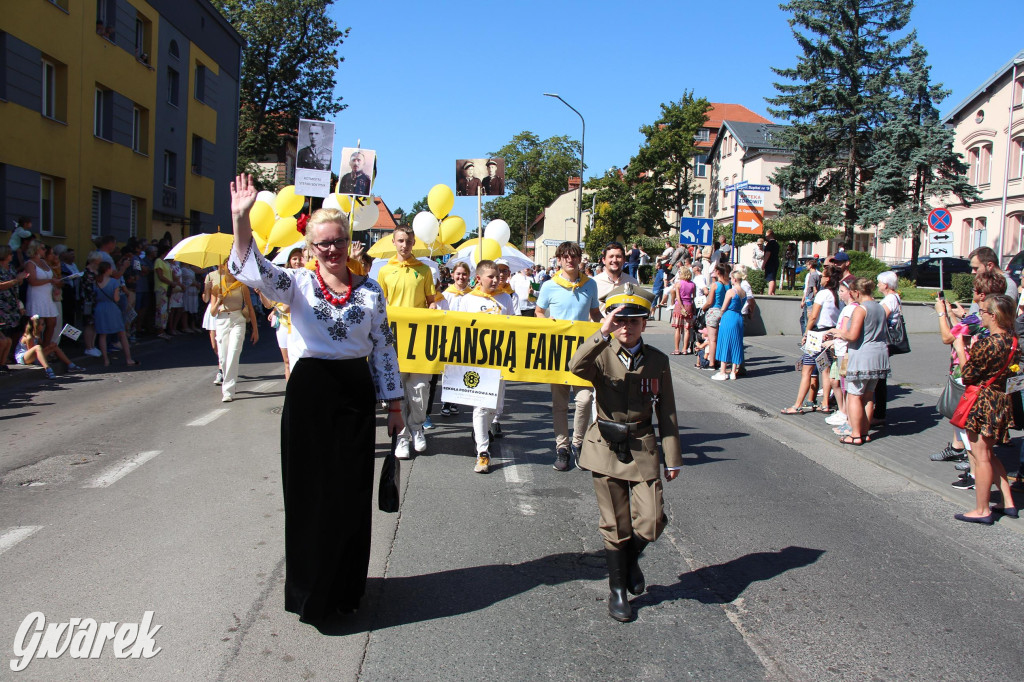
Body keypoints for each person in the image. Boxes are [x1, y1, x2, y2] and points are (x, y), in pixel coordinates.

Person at [228, 173, 403, 624]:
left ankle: (346, 589)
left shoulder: (370, 291)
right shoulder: (298, 285)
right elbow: (250, 269)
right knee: (310, 497)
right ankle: (311, 593)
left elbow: (383, 346)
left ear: (349, 242)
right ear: (309, 248)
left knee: (349, 495)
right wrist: (240, 220)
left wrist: (396, 405)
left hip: (354, 395)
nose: (331, 249)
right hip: (310, 397)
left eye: (338, 241)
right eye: (322, 243)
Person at [568, 283, 681, 622]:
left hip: (642, 446)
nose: (626, 327)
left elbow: (669, 411)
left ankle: (630, 562)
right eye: (620, 320)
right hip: (605, 446)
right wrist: (599, 333)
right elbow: (575, 367)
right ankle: (617, 590)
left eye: (634, 320)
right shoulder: (600, 352)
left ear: (645, 322)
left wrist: (672, 458)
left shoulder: (658, 361)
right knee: (615, 525)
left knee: (652, 521)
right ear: (611, 321)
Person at [952, 294, 1020, 524]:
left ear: (993, 315)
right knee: (989, 453)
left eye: (982, 312)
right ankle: (1008, 502)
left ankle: (982, 510)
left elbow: (968, 375)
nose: (980, 315)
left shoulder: (987, 343)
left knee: (980, 457)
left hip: (983, 401)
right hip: (1001, 399)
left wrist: (961, 349)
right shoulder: (1014, 341)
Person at [535, 240, 601, 471]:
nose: (570, 260)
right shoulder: (549, 286)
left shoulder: (590, 284)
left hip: (583, 353)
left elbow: (595, 314)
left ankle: (578, 443)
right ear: (559, 260)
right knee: (559, 404)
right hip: (557, 352)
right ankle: (562, 447)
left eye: (574, 256)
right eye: (565, 257)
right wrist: (547, 323)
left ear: (580, 258)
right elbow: (539, 312)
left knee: (584, 400)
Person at [377, 225, 437, 459]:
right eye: (400, 241)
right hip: (394, 341)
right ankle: (402, 435)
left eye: (408, 241)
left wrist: (432, 307)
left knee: (420, 388)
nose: (404, 245)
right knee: (398, 390)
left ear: (414, 243)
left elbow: (431, 301)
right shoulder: (385, 271)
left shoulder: (424, 270)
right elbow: (381, 306)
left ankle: (417, 426)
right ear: (394, 242)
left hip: (419, 339)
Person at [457, 260, 513, 473]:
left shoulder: (506, 298)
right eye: (491, 276)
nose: (496, 279)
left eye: (498, 275)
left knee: (495, 406)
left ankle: (484, 430)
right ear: (479, 278)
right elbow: (460, 329)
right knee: (480, 405)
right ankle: (483, 452)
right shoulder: (468, 300)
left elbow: (515, 327)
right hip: (477, 363)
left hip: (499, 362)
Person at [830, 277, 889, 445]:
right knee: (868, 396)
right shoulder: (879, 307)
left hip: (862, 356)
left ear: (856, 292)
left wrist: (838, 333)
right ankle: (864, 431)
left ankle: (855, 434)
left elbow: (852, 335)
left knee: (854, 395)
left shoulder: (860, 309)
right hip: (879, 356)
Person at [209, 264, 259, 402]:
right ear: (223, 268)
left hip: (238, 319)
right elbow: (212, 313)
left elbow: (249, 307)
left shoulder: (241, 286)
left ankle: (228, 390)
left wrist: (255, 329)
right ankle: (228, 382)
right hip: (222, 320)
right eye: (227, 266)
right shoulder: (217, 286)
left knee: (233, 353)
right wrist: (218, 300)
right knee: (223, 357)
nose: (230, 269)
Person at [260, 247, 304, 382]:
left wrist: (278, 309)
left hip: (300, 325)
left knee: (300, 361)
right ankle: (290, 392)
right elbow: (269, 304)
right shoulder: (284, 279)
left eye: (300, 258)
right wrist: (261, 291)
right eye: (294, 258)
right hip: (284, 325)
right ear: (289, 261)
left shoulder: (307, 277)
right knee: (287, 361)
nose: (297, 261)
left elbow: (286, 307)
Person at [93, 262, 139, 368]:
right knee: (122, 334)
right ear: (107, 270)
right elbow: (116, 298)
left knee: (102, 335)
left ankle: (106, 360)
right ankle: (128, 358)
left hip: (100, 308)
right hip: (112, 308)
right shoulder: (113, 282)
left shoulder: (96, 282)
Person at [15, 315, 83, 379]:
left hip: (33, 356)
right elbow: (34, 353)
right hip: (24, 358)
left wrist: (50, 347)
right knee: (37, 347)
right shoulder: (29, 337)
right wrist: (47, 349)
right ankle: (48, 369)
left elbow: (41, 347)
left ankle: (71, 365)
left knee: (54, 347)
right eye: (42, 324)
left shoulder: (37, 335)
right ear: (36, 326)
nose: (43, 326)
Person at [875, 271, 902, 427]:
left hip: (884, 341)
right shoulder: (894, 297)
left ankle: (879, 414)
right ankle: (879, 412)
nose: (878, 285)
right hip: (885, 341)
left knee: (879, 379)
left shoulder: (890, 299)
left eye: (879, 282)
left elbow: (879, 318)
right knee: (880, 378)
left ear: (885, 284)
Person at [712, 270, 746, 381]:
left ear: (735, 279)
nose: (730, 280)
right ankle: (733, 371)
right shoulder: (744, 292)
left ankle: (722, 372)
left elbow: (724, 307)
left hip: (729, 317)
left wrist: (720, 316)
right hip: (738, 317)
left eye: (731, 278)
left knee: (725, 342)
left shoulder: (731, 291)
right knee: (736, 343)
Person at [0, 246, 29, 373]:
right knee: (5, 331)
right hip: (2, 303)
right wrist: (15, 280)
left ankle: (6, 358)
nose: (12, 256)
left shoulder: (11, 267)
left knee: (14, 330)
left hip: (12, 301)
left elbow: (16, 283)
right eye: (9, 254)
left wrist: (20, 279)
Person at [701, 263, 730, 371]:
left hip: (714, 311)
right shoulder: (729, 285)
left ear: (718, 272)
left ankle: (712, 363)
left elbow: (709, 302)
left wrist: (702, 309)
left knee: (712, 340)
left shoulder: (715, 285)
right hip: (725, 312)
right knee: (721, 339)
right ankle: (721, 361)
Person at [593, 242, 638, 310]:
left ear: (624, 260)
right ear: (604, 260)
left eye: (618, 256)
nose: (614, 260)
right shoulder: (593, 283)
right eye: (611, 256)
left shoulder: (633, 283)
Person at [669, 265, 695, 355]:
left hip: (679, 306)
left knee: (678, 329)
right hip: (689, 305)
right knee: (687, 329)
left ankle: (677, 349)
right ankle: (684, 349)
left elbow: (678, 297)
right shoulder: (692, 284)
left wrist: (681, 307)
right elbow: (693, 297)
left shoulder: (678, 283)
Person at [800, 258, 821, 332]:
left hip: (809, 300)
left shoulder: (812, 275)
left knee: (806, 320)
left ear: (811, 265)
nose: (806, 266)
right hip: (811, 299)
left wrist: (805, 300)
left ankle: (805, 338)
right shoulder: (818, 274)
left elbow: (813, 289)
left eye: (807, 265)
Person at [763, 228, 780, 295]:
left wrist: (764, 263)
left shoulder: (770, 244)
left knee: (771, 278)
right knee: (774, 277)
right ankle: (773, 292)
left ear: (770, 235)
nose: (765, 236)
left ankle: (769, 293)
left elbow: (768, 254)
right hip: (775, 261)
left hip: (770, 262)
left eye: (766, 234)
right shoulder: (776, 243)